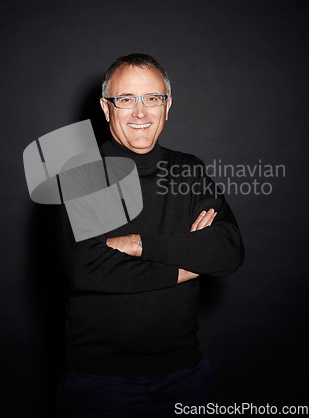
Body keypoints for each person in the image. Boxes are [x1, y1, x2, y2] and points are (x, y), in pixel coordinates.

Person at [56, 54, 244, 417]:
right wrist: (187, 264)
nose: (140, 113)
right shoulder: (83, 174)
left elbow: (228, 250)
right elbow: (87, 270)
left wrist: (138, 244)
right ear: (106, 108)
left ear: (167, 105)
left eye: (152, 99)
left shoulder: (189, 170)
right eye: (125, 99)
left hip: (186, 377)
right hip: (100, 383)